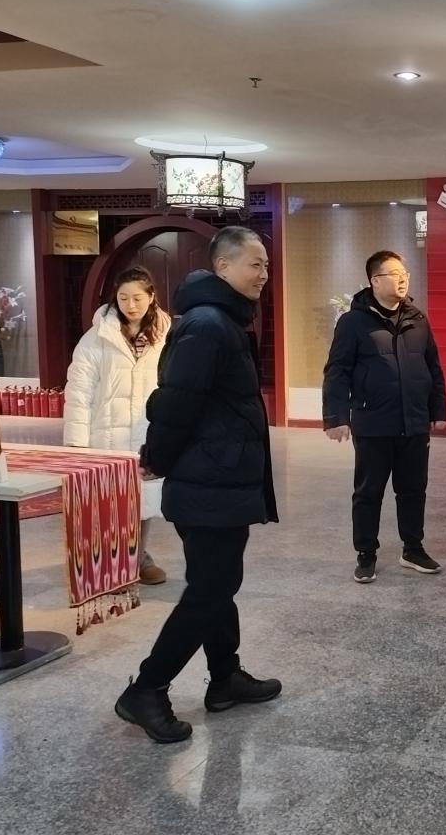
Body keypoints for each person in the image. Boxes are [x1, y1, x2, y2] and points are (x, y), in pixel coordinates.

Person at [114, 226, 281, 744]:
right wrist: (156, 458)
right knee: (211, 588)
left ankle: (225, 677)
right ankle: (147, 688)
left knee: (217, 583)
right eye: (255, 263)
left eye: (266, 265)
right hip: (208, 481)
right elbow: (176, 402)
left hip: (220, 476)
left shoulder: (222, 320)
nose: (263, 273)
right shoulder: (209, 325)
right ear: (223, 267)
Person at [322, 249, 446, 584]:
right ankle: (366, 553)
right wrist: (336, 416)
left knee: (413, 489)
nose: (403, 279)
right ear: (375, 281)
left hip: (414, 422)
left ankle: (413, 549)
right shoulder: (353, 323)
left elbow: (433, 367)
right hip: (373, 423)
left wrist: (438, 409)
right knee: (369, 492)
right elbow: (337, 371)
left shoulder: (418, 319)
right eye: (394, 274)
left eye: (405, 273)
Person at [63, 266, 172, 585]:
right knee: (108, 502)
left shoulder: (165, 338)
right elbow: (79, 392)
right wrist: (76, 443)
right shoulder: (95, 339)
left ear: (151, 297)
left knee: (144, 499)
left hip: (146, 430)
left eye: (137, 297)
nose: (130, 304)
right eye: (123, 298)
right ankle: (109, 562)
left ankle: (139, 557)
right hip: (107, 432)